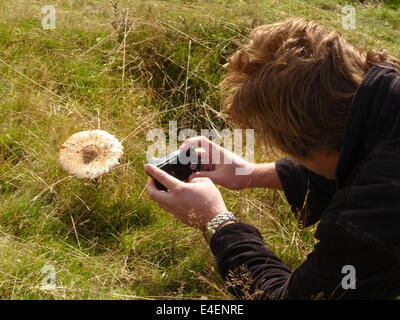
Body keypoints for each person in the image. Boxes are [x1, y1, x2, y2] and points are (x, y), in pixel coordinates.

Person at [144, 18, 400, 300]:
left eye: (291, 152)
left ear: (313, 148)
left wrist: (216, 222)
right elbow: (355, 155)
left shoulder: (370, 219)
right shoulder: (387, 93)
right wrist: (250, 173)